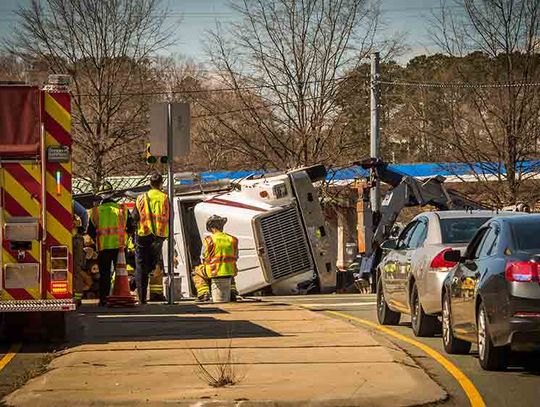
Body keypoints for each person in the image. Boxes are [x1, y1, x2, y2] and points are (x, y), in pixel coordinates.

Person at [88, 181, 130, 306]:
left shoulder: (95, 211)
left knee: (105, 275)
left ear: (101, 196)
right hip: (120, 247)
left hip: (103, 247)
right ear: (112, 194)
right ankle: (120, 298)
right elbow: (130, 227)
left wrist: (97, 240)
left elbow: (90, 231)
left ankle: (103, 300)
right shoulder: (122, 209)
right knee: (121, 274)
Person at [133, 172, 169, 304]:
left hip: (143, 235)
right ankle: (156, 293)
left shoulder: (140, 198)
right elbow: (170, 217)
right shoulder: (165, 198)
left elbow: (134, 217)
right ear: (161, 184)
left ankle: (142, 298)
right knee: (155, 264)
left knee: (141, 266)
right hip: (159, 236)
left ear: (149, 183)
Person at [200, 215, 239, 302]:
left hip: (213, 272)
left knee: (196, 271)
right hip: (230, 272)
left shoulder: (208, 240)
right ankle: (232, 290)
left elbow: (202, 257)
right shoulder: (233, 239)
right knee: (228, 271)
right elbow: (236, 256)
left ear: (211, 228)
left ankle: (204, 293)